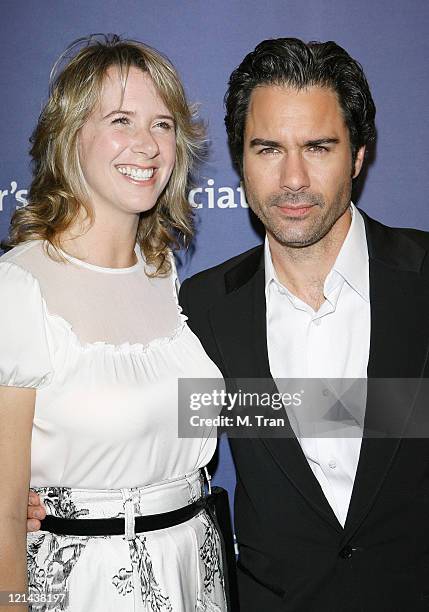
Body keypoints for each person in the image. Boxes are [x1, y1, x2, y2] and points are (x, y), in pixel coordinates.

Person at [178, 39, 429, 611]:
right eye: (268, 148)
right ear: (241, 158)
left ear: (359, 155)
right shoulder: (202, 307)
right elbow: (153, 429)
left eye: (317, 147)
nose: (292, 178)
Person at [0, 35, 227, 611]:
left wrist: (384, 408)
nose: (147, 145)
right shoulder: (19, 286)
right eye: (121, 119)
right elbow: (3, 511)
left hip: (193, 569)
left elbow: (177, 410)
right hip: (89, 587)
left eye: (163, 124)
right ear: (71, 133)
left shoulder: (161, 271)